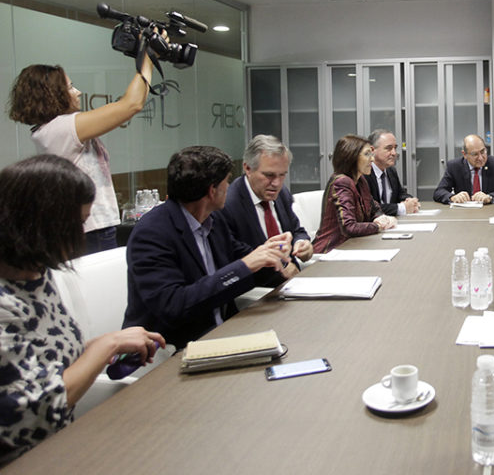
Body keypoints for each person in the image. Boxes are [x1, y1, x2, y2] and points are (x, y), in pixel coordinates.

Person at [0, 155, 164, 465]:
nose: (81, 235)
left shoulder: (36, 273)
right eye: (76, 224)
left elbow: (44, 358)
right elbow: (32, 409)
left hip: (60, 446)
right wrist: (106, 346)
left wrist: (113, 343)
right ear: (39, 224)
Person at [123, 146, 297, 349]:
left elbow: (243, 264)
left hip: (226, 332)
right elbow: (173, 306)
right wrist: (245, 265)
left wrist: (274, 256)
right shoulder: (152, 233)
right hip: (175, 348)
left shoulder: (213, 221)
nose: (230, 187)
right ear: (212, 190)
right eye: (227, 181)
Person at [8, 61, 153, 253]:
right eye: (70, 87)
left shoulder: (52, 130)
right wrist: (148, 60)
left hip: (92, 228)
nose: (78, 92)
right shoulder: (61, 129)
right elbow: (131, 104)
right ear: (52, 95)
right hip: (90, 231)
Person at [219, 135, 313, 264]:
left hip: (292, 277)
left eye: (282, 175)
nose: (277, 183)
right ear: (248, 168)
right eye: (269, 175)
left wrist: (302, 243)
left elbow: (296, 230)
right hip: (257, 281)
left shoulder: (282, 194)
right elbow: (236, 257)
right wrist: (282, 267)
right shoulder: (228, 204)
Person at [313, 135, 398, 253]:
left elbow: (374, 208)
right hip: (332, 250)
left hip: (353, 246)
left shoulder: (361, 180)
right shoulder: (341, 182)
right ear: (351, 157)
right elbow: (349, 227)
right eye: (367, 154)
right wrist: (378, 226)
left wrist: (382, 218)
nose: (372, 159)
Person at [433, 134, 494, 205]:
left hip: (489, 212)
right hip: (464, 214)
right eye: (475, 154)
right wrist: (452, 197)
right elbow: (439, 192)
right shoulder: (454, 166)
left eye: (483, 151)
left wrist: (489, 197)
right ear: (465, 154)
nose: (480, 158)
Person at [364, 129, 420, 216]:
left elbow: (400, 194)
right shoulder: (364, 174)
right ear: (372, 150)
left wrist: (410, 200)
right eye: (388, 148)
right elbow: (369, 208)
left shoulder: (391, 170)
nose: (394, 153)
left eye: (395, 148)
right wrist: (401, 208)